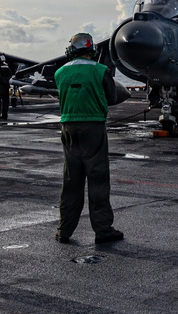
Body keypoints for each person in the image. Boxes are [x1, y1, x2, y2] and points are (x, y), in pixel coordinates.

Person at [54, 32, 128, 244]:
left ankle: (64, 230)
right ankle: (103, 230)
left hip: (68, 128)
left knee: (71, 181)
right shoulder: (101, 70)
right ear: (92, 50)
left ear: (71, 50)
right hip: (93, 128)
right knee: (98, 179)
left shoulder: (60, 72)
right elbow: (113, 96)